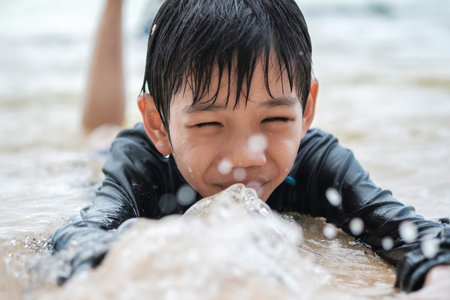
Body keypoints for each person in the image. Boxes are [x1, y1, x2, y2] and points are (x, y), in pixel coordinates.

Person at [50, 0, 450, 297]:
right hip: (109, 156)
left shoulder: (316, 162)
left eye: (274, 120)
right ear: (158, 124)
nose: (246, 156)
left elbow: (411, 234)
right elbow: (80, 239)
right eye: (208, 124)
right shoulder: (141, 161)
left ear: (306, 109)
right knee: (101, 135)